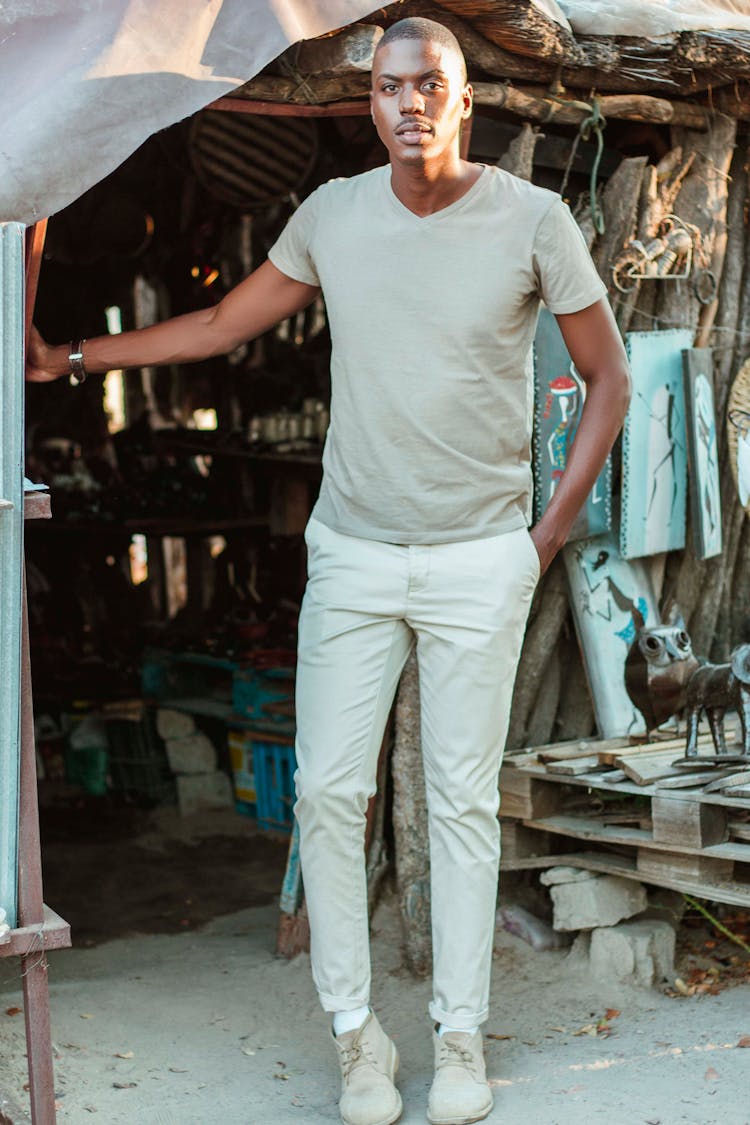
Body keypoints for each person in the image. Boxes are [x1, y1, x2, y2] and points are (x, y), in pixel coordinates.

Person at [27, 16, 631, 1125]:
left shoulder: (533, 221)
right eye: (391, 86)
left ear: (462, 96)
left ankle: (457, 1042)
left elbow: (608, 379)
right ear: (370, 103)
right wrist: (69, 358)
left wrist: (542, 539)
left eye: (431, 84)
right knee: (327, 794)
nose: (409, 104)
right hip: (353, 557)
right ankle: (357, 1040)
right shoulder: (332, 215)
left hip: (474, 560)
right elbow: (215, 323)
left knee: (458, 808)